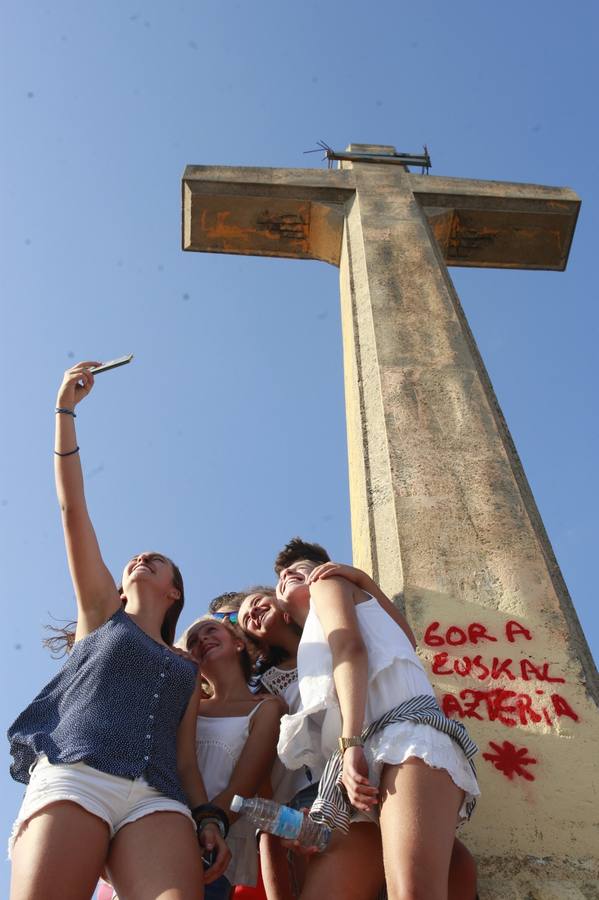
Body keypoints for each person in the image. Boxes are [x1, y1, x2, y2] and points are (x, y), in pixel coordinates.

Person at [7, 362, 230, 900]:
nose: (142, 558)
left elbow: (184, 760)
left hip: (158, 798)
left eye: (158, 560)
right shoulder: (101, 613)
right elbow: (72, 509)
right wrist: (65, 410)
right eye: (137, 557)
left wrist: (207, 817)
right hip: (76, 772)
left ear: (174, 592)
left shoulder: (186, 669)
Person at [238, 567, 478, 900]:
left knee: (412, 891)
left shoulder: (327, 584)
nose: (288, 572)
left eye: (302, 568)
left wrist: (362, 580)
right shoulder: (307, 655)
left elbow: (354, 650)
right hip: (353, 776)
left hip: (402, 738)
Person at [179, 615, 286, 900]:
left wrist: (209, 825)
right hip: (163, 831)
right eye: (193, 641)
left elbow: (244, 786)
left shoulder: (267, 708)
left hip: (213, 846)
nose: (202, 639)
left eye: (210, 630)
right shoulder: (190, 705)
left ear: (238, 643)